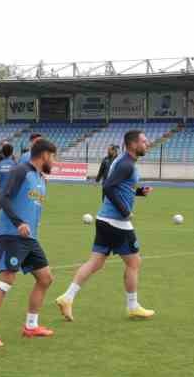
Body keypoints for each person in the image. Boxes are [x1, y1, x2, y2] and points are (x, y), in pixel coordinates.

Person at [54, 129, 155, 321]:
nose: (147, 143)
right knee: (134, 262)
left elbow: (120, 187)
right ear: (133, 144)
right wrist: (125, 211)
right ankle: (133, 306)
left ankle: (67, 297)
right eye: (143, 141)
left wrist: (139, 192)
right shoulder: (126, 163)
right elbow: (108, 186)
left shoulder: (124, 161)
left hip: (104, 220)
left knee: (96, 262)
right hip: (117, 222)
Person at [0, 137, 58, 347]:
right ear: (44, 156)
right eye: (52, 157)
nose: (54, 161)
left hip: (29, 238)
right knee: (7, 279)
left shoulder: (39, 177)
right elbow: (4, 198)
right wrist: (17, 223)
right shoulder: (21, 171)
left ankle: (31, 326)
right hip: (14, 236)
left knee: (46, 278)